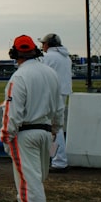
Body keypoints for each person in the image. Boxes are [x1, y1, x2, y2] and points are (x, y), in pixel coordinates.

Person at [0, 35, 64, 202]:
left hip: (25, 133)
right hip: (46, 131)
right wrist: (55, 129)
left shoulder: (19, 77)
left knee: (30, 180)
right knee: (35, 177)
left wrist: (6, 135)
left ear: (14, 54)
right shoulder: (51, 73)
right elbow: (59, 106)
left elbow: (13, 112)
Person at [40, 33, 73, 172]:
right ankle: (56, 158)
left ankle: (59, 160)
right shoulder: (66, 57)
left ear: (48, 44)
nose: (42, 46)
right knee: (55, 128)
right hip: (63, 92)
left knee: (53, 129)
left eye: (43, 43)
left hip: (52, 94)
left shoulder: (47, 58)